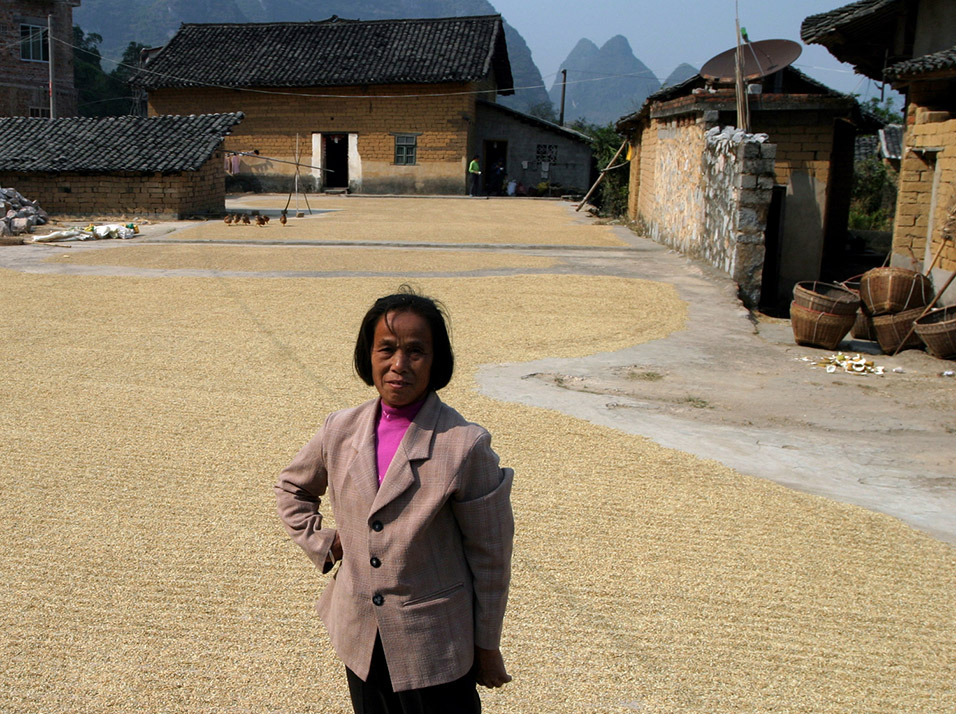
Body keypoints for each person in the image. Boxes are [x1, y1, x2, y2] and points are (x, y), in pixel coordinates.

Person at [275, 288, 514, 714]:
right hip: (361, 638)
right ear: (368, 355)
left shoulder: (464, 445)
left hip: (435, 647)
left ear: (436, 360)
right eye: (386, 349)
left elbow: (491, 555)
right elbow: (293, 489)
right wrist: (327, 543)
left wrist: (487, 643)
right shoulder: (341, 428)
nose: (399, 364)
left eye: (416, 351)